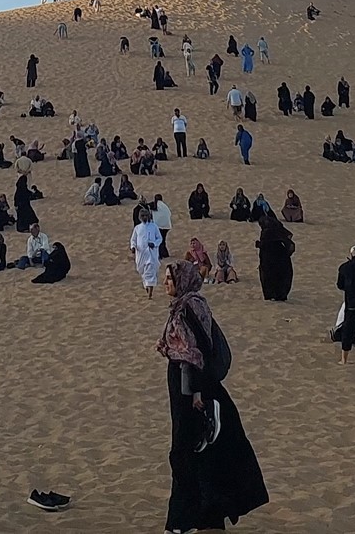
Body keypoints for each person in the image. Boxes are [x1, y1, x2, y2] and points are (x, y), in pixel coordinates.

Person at [157, 259, 268, 531]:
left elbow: (196, 352)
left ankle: (181, 522)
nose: (165, 283)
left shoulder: (190, 306)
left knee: (184, 453)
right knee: (199, 454)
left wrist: (196, 392)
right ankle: (205, 517)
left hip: (191, 388)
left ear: (182, 281)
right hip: (187, 384)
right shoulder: (184, 305)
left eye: (170, 278)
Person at [255, 214, 295, 301]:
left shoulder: (266, 232)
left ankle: (271, 295)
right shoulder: (280, 232)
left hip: (270, 260)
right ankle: (280, 294)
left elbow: (265, 247)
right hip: (282, 259)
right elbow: (290, 246)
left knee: (268, 276)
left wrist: (260, 245)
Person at [129, 204, 163, 296]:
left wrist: (154, 244)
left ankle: (150, 290)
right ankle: (147, 286)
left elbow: (159, 238)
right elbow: (133, 239)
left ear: (148, 216)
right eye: (142, 216)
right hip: (141, 253)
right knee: (142, 271)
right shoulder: (137, 228)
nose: (144, 217)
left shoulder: (154, 226)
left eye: (146, 215)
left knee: (150, 270)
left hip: (151, 253)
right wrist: (133, 247)